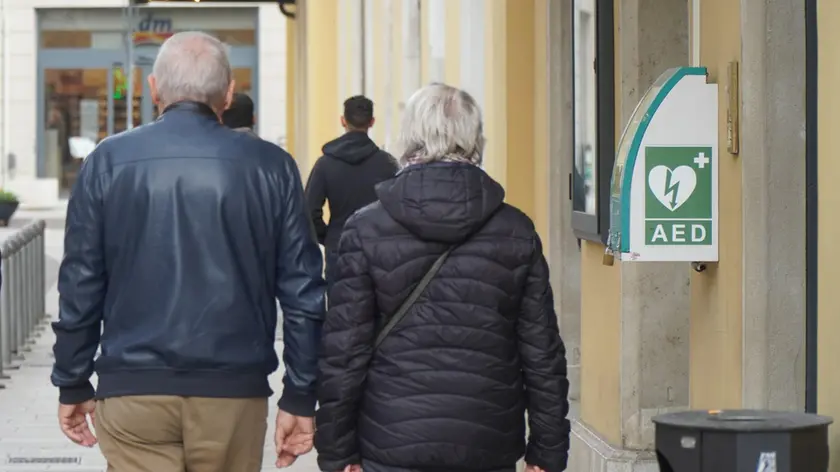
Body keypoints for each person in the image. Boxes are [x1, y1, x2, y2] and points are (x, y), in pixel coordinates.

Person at [50, 31, 326, 472]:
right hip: (233, 390)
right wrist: (300, 392)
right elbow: (302, 290)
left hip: (132, 389)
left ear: (154, 88)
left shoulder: (107, 161)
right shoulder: (271, 166)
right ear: (229, 92)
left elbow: (81, 280)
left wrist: (72, 379)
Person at [315, 83, 570, 472]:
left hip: (390, 437)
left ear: (409, 137)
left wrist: (337, 452)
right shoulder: (515, 229)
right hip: (486, 439)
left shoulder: (365, 229)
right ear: (474, 138)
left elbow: (345, 350)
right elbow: (541, 352)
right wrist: (548, 450)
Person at [304, 95, 398, 292]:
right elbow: (397, 207)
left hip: (338, 245)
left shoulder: (325, 164)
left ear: (342, 120)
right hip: (377, 247)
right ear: (372, 122)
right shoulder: (387, 164)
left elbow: (309, 210)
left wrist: (328, 237)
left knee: (340, 310)